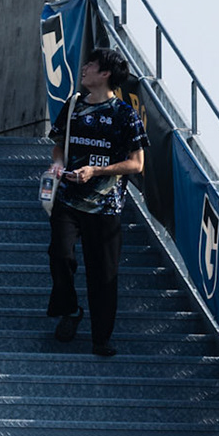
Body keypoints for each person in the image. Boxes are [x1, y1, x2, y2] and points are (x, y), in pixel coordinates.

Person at [47, 48, 146, 357]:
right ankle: (70, 310)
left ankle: (101, 338)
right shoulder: (73, 106)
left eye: (90, 64)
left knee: (103, 275)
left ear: (105, 73)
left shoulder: (124, 114)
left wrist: (97, 171)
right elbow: (58, 146)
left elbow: (137, 163)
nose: (84, 68)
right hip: (67, 199)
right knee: (60, 255)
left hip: (106, 206)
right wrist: (58, 166)